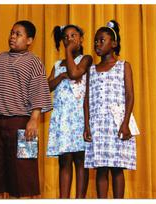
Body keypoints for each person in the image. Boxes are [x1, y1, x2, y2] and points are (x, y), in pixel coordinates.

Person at [0, 20, 52, 198]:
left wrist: (33, 120)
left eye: (18, 34)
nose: (12, 37)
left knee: (23, 172)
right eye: (11, 33)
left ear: (29, 40)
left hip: (22, 124)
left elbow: (39, 91)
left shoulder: (34, 62)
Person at [83, 20, 137, 198]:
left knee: (117, 168)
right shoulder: (91, 69)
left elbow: (129, 96)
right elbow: (87, 99)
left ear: (113, 44)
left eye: (101, 40)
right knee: (101, 168)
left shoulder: (124, 66)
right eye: (95, 41)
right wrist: (87, 126)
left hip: (117, 124)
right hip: (97, 124)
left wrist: (125, 123)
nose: (97, 44)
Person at [46, 24, 92, 198]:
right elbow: (47, 87)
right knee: (64, 160)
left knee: (80, 159)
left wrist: (69, 54)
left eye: (74, 36)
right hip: (63, 118)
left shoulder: (86, 59)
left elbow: (74, 73)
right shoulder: (58, 65)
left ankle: (80, 199)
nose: (70, 39)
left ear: (80, 39)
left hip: (80, 118)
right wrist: (60, 76)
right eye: (66, 37)